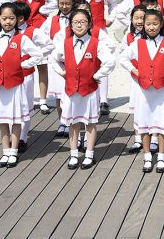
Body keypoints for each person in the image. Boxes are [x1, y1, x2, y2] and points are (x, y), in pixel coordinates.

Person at [49, 9, 116, 170]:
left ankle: (89, 154)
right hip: (71, 90)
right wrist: (62, 72)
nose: (79, 25)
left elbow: (110, 62)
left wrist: (97, 74)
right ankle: (73, 154)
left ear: (89, 24)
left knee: (90, 122)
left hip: (89, 90)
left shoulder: (96, 43)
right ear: (70, 25)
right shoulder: (65, 44)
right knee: (73, 123)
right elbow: (53, 59)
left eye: (83, 22)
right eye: (76, 22)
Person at [120, 8, 164, 173]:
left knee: (160, 124)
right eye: (148, 24)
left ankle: (161, 157)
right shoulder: (138, 43)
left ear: (161, 24)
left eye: (155, 24)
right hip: (144, 91)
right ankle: (147, 157)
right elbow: (123, 57)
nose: (151, 27)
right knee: (144, 124)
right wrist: (133, 70)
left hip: (161, 91)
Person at [0, 2, 42, 169]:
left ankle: (14, 152)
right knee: (2, 119)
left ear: (17, 19)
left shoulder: (22, 38)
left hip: (15, 86)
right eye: (4, 18)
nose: (8, 22)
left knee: (15, 119)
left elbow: (38, 54)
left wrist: (23, 65)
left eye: (11, 18)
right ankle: (5, 151)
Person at [11, 1, 51, 152]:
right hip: (9, 76)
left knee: (25, 106)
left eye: (11, 16)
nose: (8, 20)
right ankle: (12, 135)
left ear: (20, 18)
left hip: (26, 75)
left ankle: (22, 137)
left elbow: (49, 45)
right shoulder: (7, 32)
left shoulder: (32, 31)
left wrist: (34, 59)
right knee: (11, 106)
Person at [71, 0, 117, 117]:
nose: (86, 14)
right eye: (82, 11)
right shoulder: (70, 31)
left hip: (92, 64)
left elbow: (111, 46)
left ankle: (102, 102)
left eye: (88, 11)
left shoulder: (96, 30)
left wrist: (98, 52)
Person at [42, 0, 75, 135]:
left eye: (68, 3)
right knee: (58, 95)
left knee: (71, 94)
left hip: (74, 63)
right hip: (57, 63)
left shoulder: (77, 20)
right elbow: (41, 38)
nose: (65, 6)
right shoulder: (51, 20)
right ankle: (62, 121)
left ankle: (71, 122)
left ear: (73, 4)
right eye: (61, 3)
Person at [120, 5, 147, 153]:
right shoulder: (128, 36)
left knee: (151, 107)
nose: (139, 21)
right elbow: (122, 53)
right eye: (136, 18)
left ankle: (153, 138)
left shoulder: (152, 36)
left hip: (151, 78)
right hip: (136, 78)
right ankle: (138, 139)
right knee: (137, 108)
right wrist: (132, 68)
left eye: (142, 18)